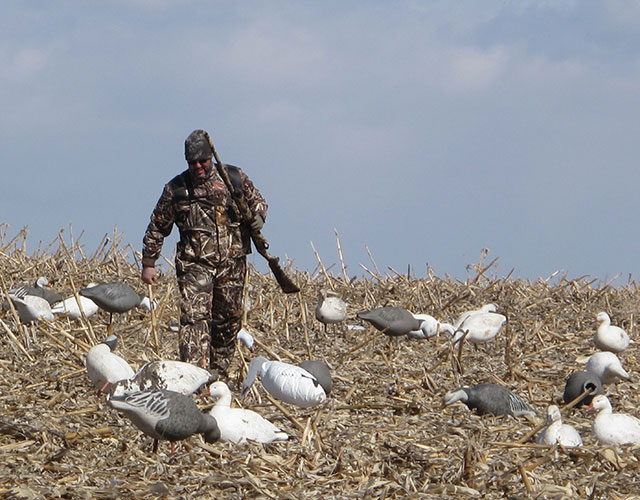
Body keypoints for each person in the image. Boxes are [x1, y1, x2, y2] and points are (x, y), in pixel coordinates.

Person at [141, 129, 267, 380]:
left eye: (202, 161)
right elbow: (157, 225)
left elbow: (260, 204)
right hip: (194, 266)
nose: (198, 166)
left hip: (232, 264)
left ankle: (218, 376)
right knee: (194, 321)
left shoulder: (234, 178)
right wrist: (149, 263)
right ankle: (193, 379)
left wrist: (256, 219)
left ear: (210, 157)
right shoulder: (176, 189)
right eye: (192, 162)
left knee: (228, 321)